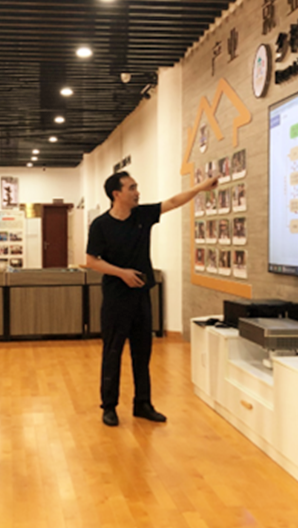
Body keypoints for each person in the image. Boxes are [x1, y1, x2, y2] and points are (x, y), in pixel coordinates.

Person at [86, 171, 219, 427]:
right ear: (116, 194)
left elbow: (173, 202)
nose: (137, 192)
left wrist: (201, 187)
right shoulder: (101, 225)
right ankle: (109, 406)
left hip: (141, 297)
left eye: (136, 187)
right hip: (115, 299)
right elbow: (92, 261)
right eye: (132, 188)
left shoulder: (142, 216)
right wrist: (122, 273)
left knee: (142, 352)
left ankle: (143, 404)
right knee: (112, 352)